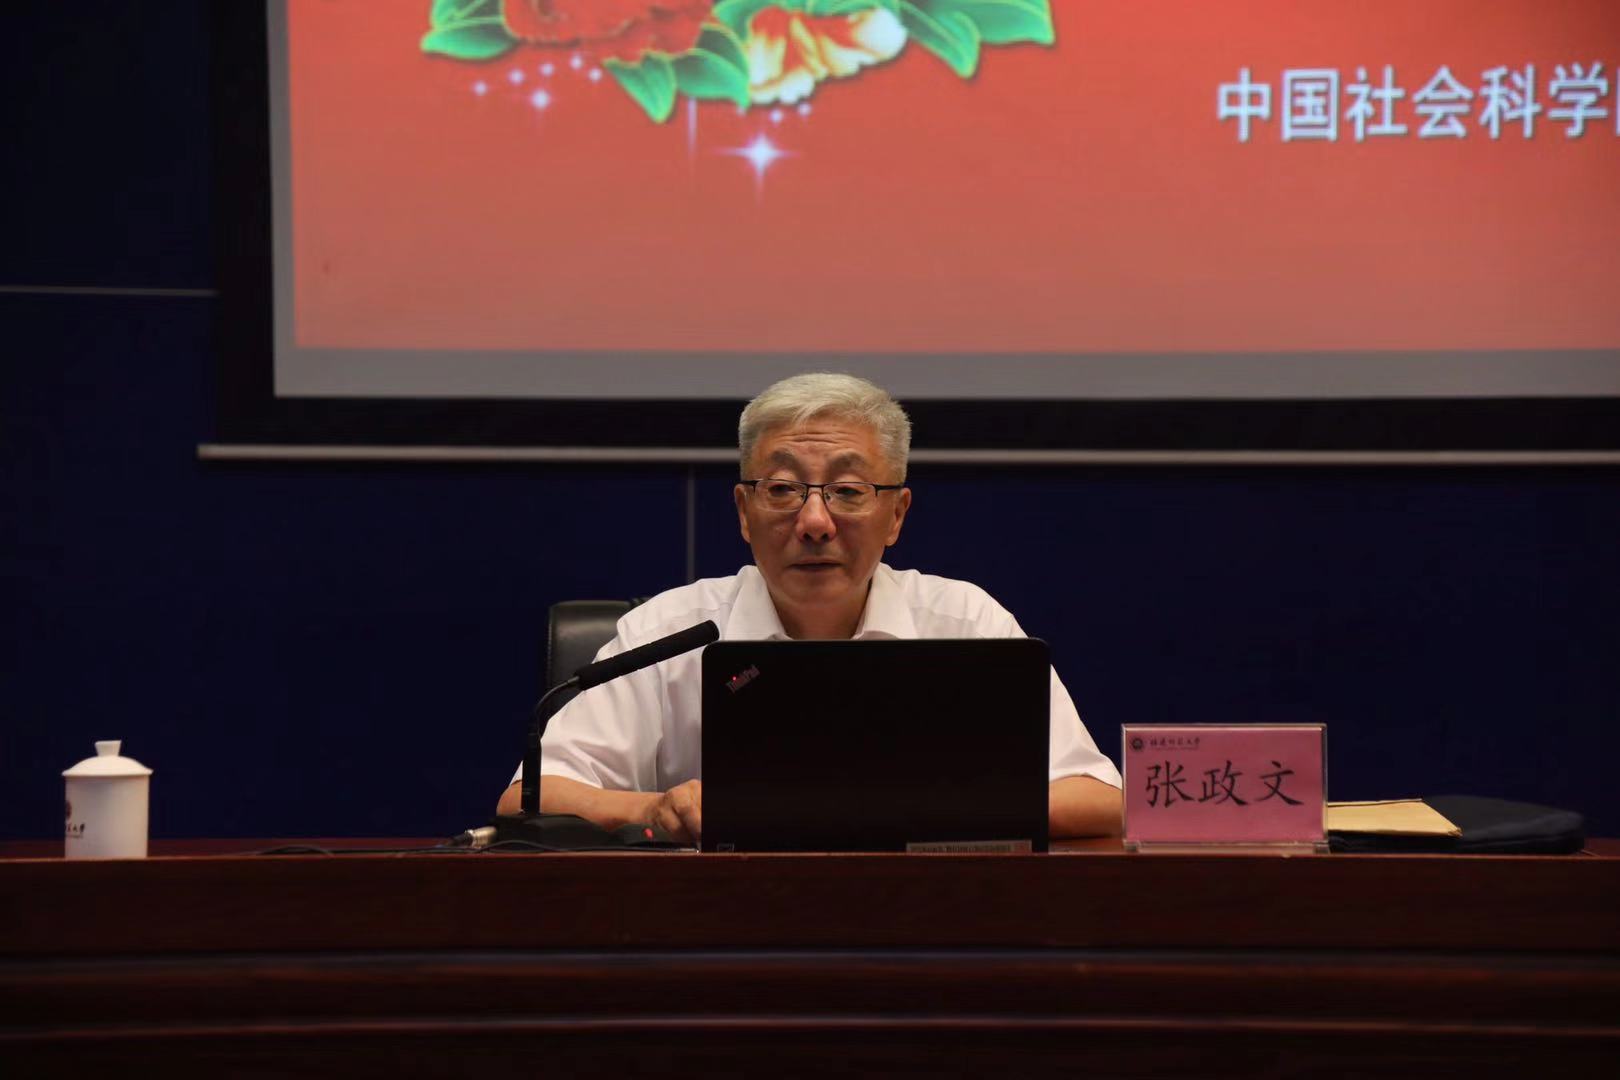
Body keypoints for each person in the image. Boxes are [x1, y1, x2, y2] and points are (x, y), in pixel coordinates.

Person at [496, 373, 1122, 840]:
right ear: (744, 511)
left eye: (848, 491)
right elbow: (531, 797)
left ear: (896, 514)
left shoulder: (965, 623)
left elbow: (1099, 798)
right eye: (782, 489)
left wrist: (907, 808)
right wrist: (653, 807)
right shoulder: (667, 633)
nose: (815, 522)